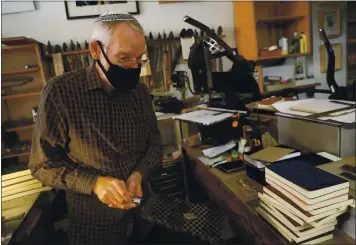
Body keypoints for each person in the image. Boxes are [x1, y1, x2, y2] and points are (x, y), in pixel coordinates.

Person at [29, 13, 163, 245]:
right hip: (95, 229)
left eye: (139, 59)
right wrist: (95, 183)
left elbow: (155, 144)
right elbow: (42, 165)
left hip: (144, 219)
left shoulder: (139, 92)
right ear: (95, 50)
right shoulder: (61, 93)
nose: (134, 67)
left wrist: (139, 173)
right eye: (124, 58)